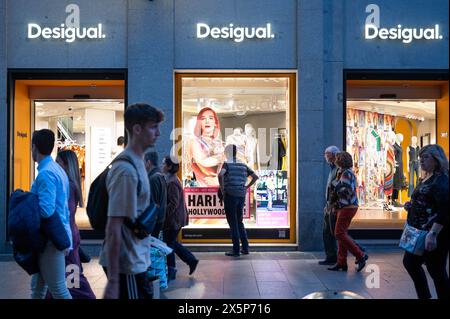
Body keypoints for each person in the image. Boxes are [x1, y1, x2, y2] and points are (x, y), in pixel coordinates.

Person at [100, 103, 164, 299]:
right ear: (137, 129)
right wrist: (112, 280)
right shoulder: (126, 171)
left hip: (136, 259)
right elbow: (114, 226)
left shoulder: (138, 162)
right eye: (153, 127)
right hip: (126, 265)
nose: (158, 133)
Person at [30, 129, 72, 299]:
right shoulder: (56, 169)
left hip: (50, 240)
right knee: (38, 289)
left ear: (34, 147)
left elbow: (46, 211)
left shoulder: (46, 173)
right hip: (53, 237)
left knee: (59, 290)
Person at [402, 144, 449, 299]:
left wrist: (433, 234)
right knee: (411, 263)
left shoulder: (442, 179)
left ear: (437, 159)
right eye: (420, 157)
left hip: (434, 233)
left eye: (426, 157)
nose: (421, 161)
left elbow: (445, 209)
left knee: (436, 271)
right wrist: (412, 205)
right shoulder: (427, 176)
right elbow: (426, 199)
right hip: (418, 231)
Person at [50, 150, 95, 299]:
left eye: (58, 162)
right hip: (68, 236)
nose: (56, 165)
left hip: (66, 238)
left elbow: (66, 215)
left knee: (73, 282)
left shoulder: (67, 185)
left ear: (66, 164)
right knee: (67, 278)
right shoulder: (69, 184)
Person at [328, 151, 368, 272]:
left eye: (337, 158)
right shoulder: (342, 172)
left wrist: (335, 189)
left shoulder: (346, 173)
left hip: (347, 206)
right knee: (342, 234)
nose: (335, 160)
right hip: (344, 206)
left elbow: (346, 190)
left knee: (339, 233)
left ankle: (360, 254)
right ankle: (341, 262)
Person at [162, 155, 199, 281]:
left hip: (174, 220)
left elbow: (173, 203)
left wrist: (163, 214)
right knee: (171, 243)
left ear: (169, 166)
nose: (162, 166)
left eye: (164, 164)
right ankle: (190, 260)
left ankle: (172, 269)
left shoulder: (172, 182)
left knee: (169, 244)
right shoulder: (170, 179)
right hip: (174, 219)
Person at [219, 144, 259, 257]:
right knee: (239, 221)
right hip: (241, 196)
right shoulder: (242, 164)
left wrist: (222, 190)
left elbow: (220, 175)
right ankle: (245, 248)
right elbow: (255, 176)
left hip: (230, 195)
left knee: (233, 222)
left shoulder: (227, 164)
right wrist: (246, 187)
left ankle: (236, 250)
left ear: (227, 153)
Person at [189, 107, 225, 186]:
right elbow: (203, 162)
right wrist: (222, 156)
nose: (207, 121)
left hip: (221, 188)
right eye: (203, 118)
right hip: (204, 189)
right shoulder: (195, 142)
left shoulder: (220, 143)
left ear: (215, 122)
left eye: (211, 118)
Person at [318, 145, 340, 266]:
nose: (325, 156)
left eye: (327, 154)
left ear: (333, 155)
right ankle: (331, 256)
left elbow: (336, 188)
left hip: (334, 205)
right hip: (329, 204)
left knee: (336, 232)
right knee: (328, 231)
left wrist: (331, 205)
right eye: (325, 154)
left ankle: (360, 252)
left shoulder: (338, 169)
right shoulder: (332, 168)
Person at [144, 151, 167, 238]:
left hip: (154, 222)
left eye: (144, 162)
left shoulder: (153, 178)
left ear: (148, 162)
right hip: (159, 220)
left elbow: (153, 203)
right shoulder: (160, 176)